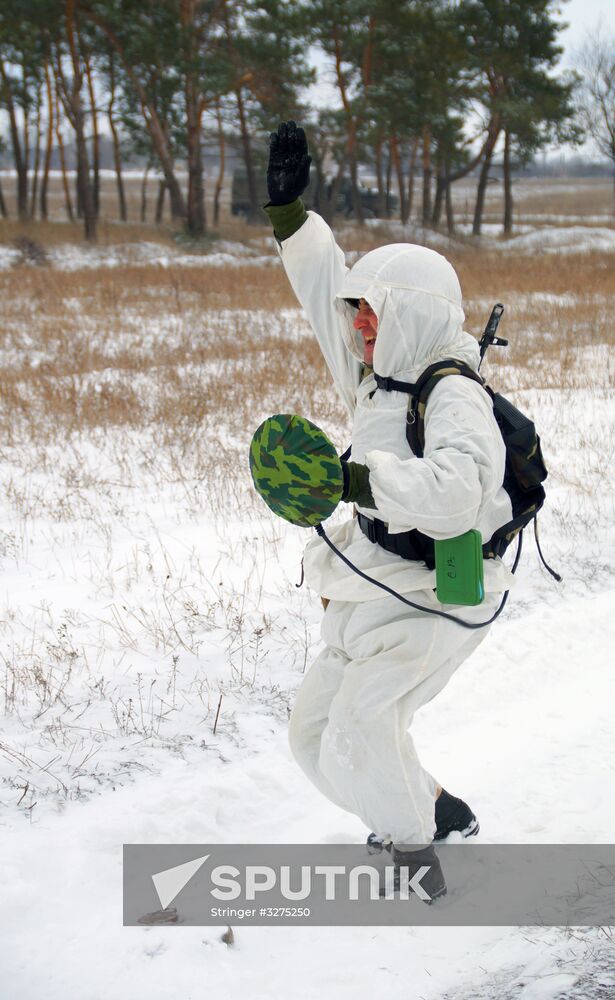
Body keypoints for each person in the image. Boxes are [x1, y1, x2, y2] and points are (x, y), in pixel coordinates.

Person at [263, 121, 515, 900]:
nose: (355, 323)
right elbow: (317, 290)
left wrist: (352, 482)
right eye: (355, 309)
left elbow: (453, 497)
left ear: (407, 312)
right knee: (312, 739)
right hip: (374, 575)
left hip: (443, 587)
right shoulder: (376, 374)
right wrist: (288, 214)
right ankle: (436, 809)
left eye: (369, 309)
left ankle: (413, 862)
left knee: (364, 725)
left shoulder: (453, 394)